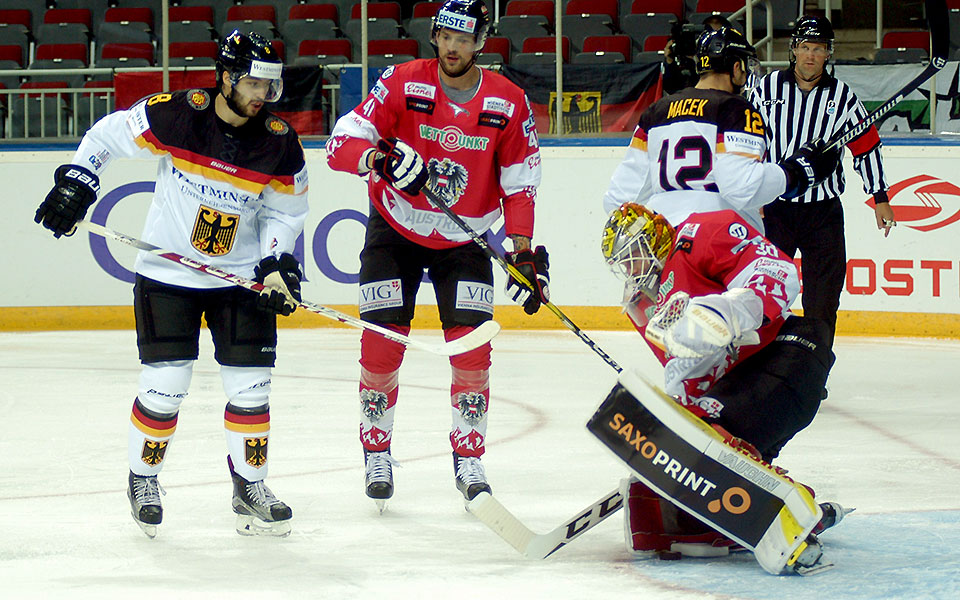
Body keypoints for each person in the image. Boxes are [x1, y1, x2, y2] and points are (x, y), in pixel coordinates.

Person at [34, 31, 309, 538]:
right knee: (166, 387)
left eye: (270, 88)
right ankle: (144, 478)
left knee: (251, 388)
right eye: (252, 83)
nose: (261, 97)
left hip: (240, 281)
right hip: (167, 277)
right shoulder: (180, 114)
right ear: (226, 77)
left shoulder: (278, 140)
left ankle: (250, 485)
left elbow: (286, 211)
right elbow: (107, 136)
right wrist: (78, 182)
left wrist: (275, 262)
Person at [325, 0, 547, 509]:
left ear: (481, 44)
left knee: (472, 351)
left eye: (464, 39)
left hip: (465, 238)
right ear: (435, 36)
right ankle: (376, 451)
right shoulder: (404, 80)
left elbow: (521, 183)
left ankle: (469, 457)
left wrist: (522, 251)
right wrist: (377, 159)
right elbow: (341, 143)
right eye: (445, 36)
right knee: (382, 347)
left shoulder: (509, 101)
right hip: (395, 228)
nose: (452, 47)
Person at [599, 202, 845, 569]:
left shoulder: (699, 233)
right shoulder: (647, 308)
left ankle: (793, 508)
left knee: (718, 434)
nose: (632, 270)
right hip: (738, 382)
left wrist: (726, 311)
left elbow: (777, 271)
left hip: (790, 353)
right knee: (696, 440)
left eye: (633, 255)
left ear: (653, 238)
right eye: (624, 263)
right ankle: (698, 523)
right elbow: (689, 375)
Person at [603, 27, 842, 235]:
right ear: (736, 66)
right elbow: (742, 189)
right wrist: (794, 173)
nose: (747, 74)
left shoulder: (655, 113)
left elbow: (619, 198)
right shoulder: (736, 110)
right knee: (784, 279)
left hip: (668, 242)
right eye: (746, 66)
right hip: (722, 242)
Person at [747, 15, 893, 349]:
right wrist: (748, 191)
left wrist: (880, 196)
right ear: (793, 50)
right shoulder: (765, 90)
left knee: (823, 302)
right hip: (775, 211)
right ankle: (762, 366)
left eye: (818, 49)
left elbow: (865, 146)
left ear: (829, 54)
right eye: (805, 47)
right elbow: (748, 142)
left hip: (823, 215)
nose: (811, 55)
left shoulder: (842, 98)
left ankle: (813, 372)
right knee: (766, 294)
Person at [661, 15, 733, 95]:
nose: (712, 42)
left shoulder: (733, 62)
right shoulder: (691, 62)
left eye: (717, 38)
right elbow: (672, 89)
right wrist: (670, 61)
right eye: (708, 36)